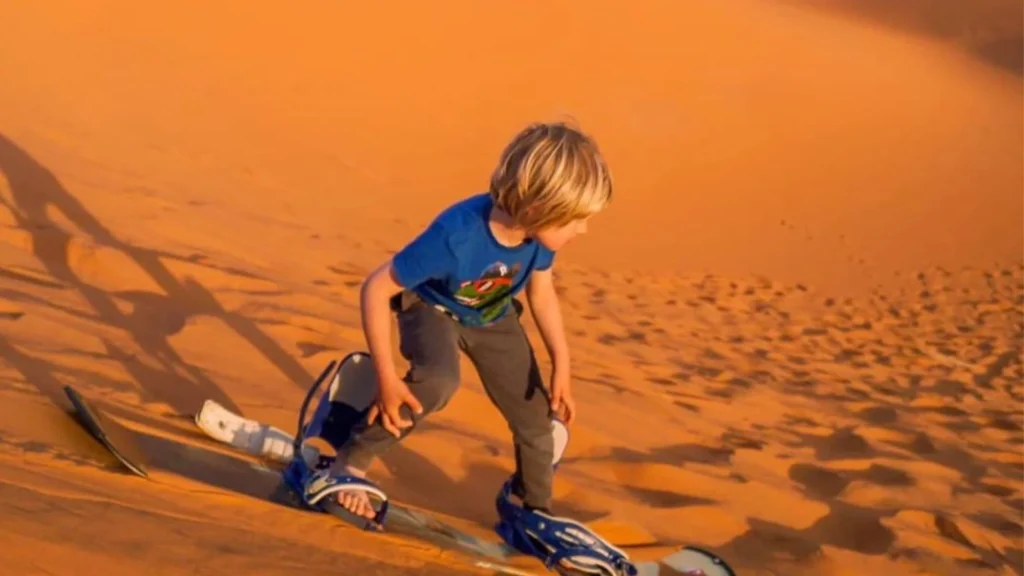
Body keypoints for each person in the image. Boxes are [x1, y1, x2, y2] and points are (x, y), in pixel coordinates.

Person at [308, 120, 613, 523]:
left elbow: (541, 294)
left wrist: (563, 364)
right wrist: (387, 378)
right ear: (538, 208)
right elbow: (376, 288)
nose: (583, 229)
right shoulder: (455, 236)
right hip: (432, 308)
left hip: (491, 314)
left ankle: (532, 507)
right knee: (437, 383)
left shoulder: (537, 237)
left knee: (537, 417)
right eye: (574, 219)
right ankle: (349, 464)